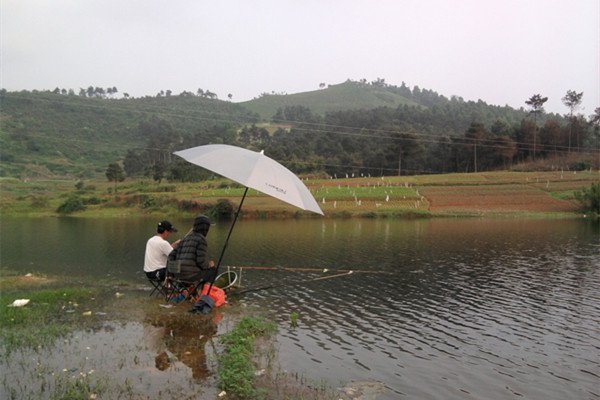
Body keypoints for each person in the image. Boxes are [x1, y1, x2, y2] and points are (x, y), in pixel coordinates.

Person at [173, 214, 217, 285]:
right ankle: (203, 293)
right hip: (191, 277)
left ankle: (189, 291)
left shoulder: (184, 239)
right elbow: (201, 262)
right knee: (213, 270)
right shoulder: (201, 240)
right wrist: (209, 265)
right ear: (205, 227)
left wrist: (173, 272)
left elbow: (171, 255)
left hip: (177, 276)